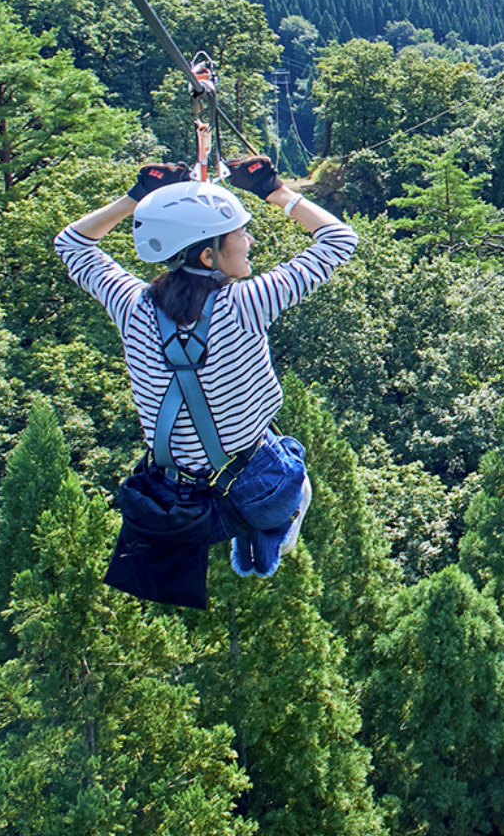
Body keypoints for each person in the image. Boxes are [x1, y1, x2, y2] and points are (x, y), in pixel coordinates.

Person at [55, 154, 358, 605]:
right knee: (289, 452)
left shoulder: (131, 305)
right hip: (258, 492)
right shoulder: (248, 302)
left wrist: (137, 199)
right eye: (239, 233)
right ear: (206, 254)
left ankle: (257, 529)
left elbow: (73, 244)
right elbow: (339, 239)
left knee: (253, 453)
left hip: (175, 504)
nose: (249, 240)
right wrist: (275, 190)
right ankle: (268, 531)